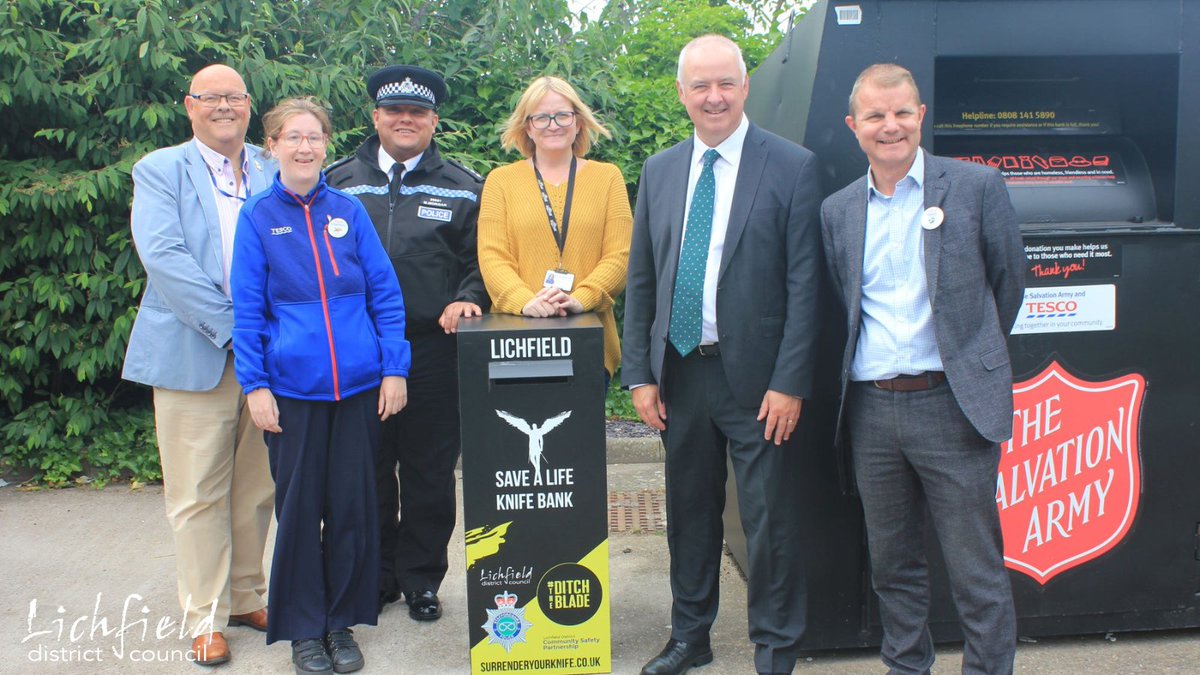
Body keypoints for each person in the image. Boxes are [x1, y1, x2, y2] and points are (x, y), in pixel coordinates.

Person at [621, 35, 823, 675]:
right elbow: (643, 280)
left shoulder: (791, 166)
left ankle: (775, 646)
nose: (714, 97)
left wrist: (790, 381)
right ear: (681, 93)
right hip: (681, 372)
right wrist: (638, 375)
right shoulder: (660, 169)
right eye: (700, 86)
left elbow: (806, 285)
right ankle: (691, 636)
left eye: (725, 84)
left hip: (762, 382)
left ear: (744, 87)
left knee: (769, 524)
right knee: (688, 516)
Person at [820, 63, 1024, 674]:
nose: (891, 127)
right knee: (893, 566)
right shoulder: (838, 211)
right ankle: (907, 667)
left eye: (902, 112)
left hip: (953, 406)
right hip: (872, 412)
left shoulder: (976, 188)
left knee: (976, 571)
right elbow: (841, 301)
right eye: (876, 116)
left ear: (921, 115)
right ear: (854, 127)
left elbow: (1006, 285)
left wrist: (967, 358)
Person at [231, 98, 411, 675]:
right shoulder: (259, 216)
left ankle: (341, 622)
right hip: (293, 392)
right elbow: (247, 311)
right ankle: (304, 629)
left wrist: (394, 368)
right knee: (301, 511)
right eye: (292, 137)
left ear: (327, 144)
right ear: (273, 147)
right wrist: (255, 385)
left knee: (354, 509)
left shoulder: (348, 212)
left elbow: (385, 294)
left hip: (359, 389)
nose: (304, 147)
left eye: (314, 137)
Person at [123, 64, 275, 667]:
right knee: (196, 493)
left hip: (268, 355)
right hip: (196, 349)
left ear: (247, 104)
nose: (223, 107)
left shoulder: (271, 164)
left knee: (257, 488)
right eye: (210, 98)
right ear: (189, 107)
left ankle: (246, 596)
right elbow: (164, 258)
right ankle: (205, 617)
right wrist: (235, 328)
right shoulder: (160, 169)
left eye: (234, 97)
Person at [325, 65, 486, 622]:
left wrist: (467, 295)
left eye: (417, 113)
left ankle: (421, 578)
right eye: (394, 111)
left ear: (433, 121)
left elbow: (481, 263)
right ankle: (376, 575)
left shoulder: (464, 186)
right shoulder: (338, 181)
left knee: (429, 472)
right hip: (357, 352)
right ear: (376, 117)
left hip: (432, 352)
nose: (405, 120)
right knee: (364, 468)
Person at [477, 75, 632, 381]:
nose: (553, 124)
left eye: (563, 115)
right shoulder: (500, 181)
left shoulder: (608, 178)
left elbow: (620, 255)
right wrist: (526, 302)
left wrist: (580, 298)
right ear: (527, 127)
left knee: (580, 431)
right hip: (516, 344)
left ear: (578, 122)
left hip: (587, 339)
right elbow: (492, 256)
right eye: (542, 117)